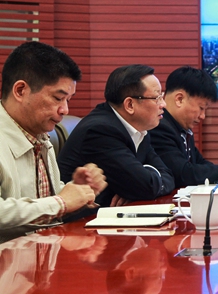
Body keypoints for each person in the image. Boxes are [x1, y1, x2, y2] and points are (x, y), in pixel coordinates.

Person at [0, 41, 106, 228]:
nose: (65, 109)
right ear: (20, 91)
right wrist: (61, 203)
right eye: (58, 98)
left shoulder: (40, 135)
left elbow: (43, 205)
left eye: (68, 100)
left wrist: (77, 192)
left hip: (44, 243)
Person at [58, 65, 175, 207]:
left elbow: (168, 176)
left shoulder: (139, 129)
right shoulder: (101, 131)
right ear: (130, 105)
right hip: (83, 218)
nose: (163, 104)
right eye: (157, 98)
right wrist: (139, 186)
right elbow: (146, 187)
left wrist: (137, 187)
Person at [149, 66, 218, 187]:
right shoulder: (158, 127)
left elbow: (199, 163)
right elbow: (182, 174)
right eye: (201, 108)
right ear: (179, 99)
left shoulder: (183, 129)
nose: (203, 116)